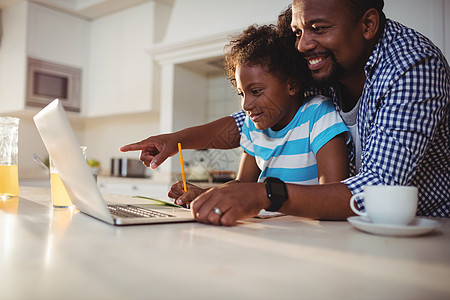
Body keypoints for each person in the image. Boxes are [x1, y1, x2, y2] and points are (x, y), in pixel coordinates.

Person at [121, 0, 450, 225]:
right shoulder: (327, 67)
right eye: (298, 31)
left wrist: (264, 194)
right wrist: (175, 140)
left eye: (318, 28)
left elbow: (378, 189)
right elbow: (246, 123)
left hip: (428, 232)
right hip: (354, 229)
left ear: (367, 24)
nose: (303, 45)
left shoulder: (412, 66)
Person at [170, 24, 349, 215]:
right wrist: (205, 194)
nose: (245, 105)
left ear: (292, 84)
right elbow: (243, 185)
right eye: (241, 94)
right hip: (269, 228)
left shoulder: (319, 114)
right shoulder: (253, 126)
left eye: (255, 91)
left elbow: (332, 196)